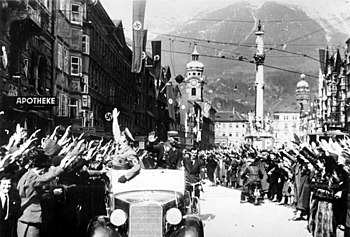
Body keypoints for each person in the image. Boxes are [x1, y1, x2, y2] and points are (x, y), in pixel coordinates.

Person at [110, 108, 140, 183]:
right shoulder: (119, 147)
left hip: (122, 178)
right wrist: (115, 119)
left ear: (125, 139)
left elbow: (137, 167)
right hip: (114, 175)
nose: (120, 135)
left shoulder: (130, 152)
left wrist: (126, 177)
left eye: (122, 135)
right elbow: (115, 132)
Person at [0, 172, 20, 237]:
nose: (7, 187)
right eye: (4, 184)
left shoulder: (13, 196)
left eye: (9, 184)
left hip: (8, 228)